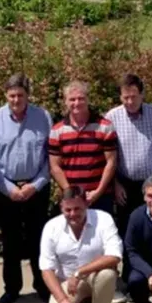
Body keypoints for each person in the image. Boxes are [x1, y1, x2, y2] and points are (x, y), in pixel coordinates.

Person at [0, 73, 53, 303]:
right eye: (12, 95)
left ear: (27, 95)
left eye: (20, 95)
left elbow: (50, 157)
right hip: (6, 189)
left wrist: (36, 184)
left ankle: (43, 286)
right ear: (6, 95)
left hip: (36, 187)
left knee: (38, 241)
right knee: (10, 243)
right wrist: (9, 188)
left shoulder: (43, 117)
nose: (16, 100)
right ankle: (11, 289)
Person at [40, 186, 122, 303]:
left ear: (86, 204)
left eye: (77, 208)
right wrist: (62, 300)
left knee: (107, 274)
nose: (72, 214)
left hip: (95, 277)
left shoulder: (104, 219)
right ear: (61, 208)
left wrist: (79, 273)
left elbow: (115, 255)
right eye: (67, 210)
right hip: (69, 285)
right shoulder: (51, 227)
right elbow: (46, 269)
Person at [104, 74, 152, 302]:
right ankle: (128, 279)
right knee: (128, 232)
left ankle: (151, 278)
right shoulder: (112, 117)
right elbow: (109, 156)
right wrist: (115, 183)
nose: (129, 102)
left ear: (142, 94)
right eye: (125, 97)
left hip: (150, 184)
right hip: (124, 184)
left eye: (134, 97)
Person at [48, 81, 118, 214]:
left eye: (81, 98)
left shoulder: (105, 127)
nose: (76, 103)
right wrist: (70, 192)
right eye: (72, 99)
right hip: (70, 199)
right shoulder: (57, 130)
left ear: (88, 99)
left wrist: (98, 192)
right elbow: (54, 166)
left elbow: (111, 162)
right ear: (65, 102)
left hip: (100, 197)